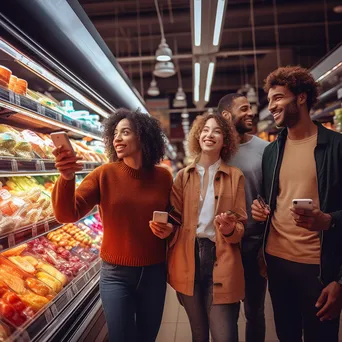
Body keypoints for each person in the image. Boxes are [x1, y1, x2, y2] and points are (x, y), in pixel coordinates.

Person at [51, 108, 174, 342]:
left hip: (154, 272)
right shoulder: (104, 174)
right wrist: (66, 178)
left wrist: (169, 228)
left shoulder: (163, 176)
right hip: (115, 274)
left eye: (125, 132)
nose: (117, 138)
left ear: (143, 136)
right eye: (115, 133)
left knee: (148, 336)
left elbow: (175, 216)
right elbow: (67, 214)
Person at [251, 66, 342, 342]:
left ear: (301, 98)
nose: (271, 106)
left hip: (320, 269)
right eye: (269, 101)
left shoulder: (336, 147)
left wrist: (328, 220)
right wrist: (260, 209)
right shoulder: (272, 151)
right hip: (278, 262)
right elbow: (272, 200)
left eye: (278, 98)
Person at [156, 113, 247, 342]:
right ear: (198, 136)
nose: (210, 135)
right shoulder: (182, 177)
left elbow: (239, 227)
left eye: (217, 131)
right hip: (187, 258)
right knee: (198, 333)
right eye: (205, 130)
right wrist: (166, 229)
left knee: (224, 335)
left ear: (225, 140)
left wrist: (228, 229)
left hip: (222, 258)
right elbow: (175, 218)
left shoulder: (235, 177)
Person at [218, 93, 269, 342]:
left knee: (255, 312)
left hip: (253, 242)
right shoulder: (215, 151)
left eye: (251, 108)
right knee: (226, 313)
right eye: (244, 108)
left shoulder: (264, 149)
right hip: (224, 245)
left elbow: (274, 195)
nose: (250, 113)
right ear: (227, 115)